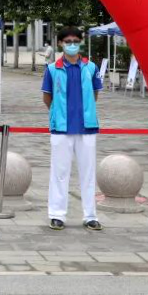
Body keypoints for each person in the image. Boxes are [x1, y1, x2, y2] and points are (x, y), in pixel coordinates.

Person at [42, 26, 103, 231]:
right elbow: (47, 97)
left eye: (75, 41)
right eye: (68, 41)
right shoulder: (52, 69)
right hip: (61, 129)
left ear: (80, 42)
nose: (72, 44)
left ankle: (90, 216)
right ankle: (57, 215)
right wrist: (58, 114)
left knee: (88, 173)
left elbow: (95, 94)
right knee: (59, 173)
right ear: (60, 43)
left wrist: (85, 112)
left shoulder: (91, 68)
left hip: (87, 128)